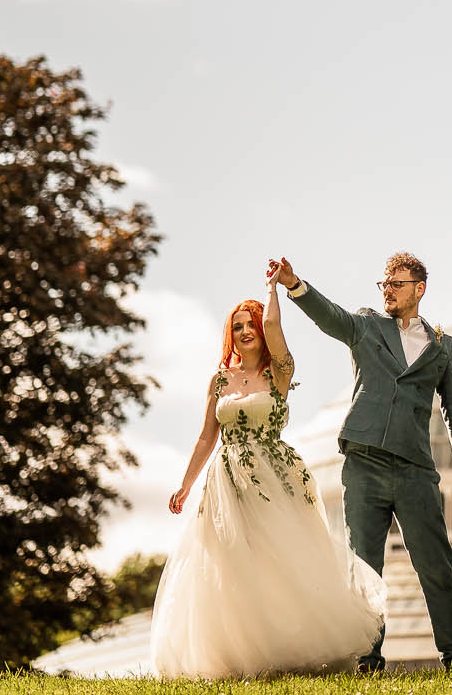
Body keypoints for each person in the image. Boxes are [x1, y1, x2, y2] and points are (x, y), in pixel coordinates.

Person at [149, 273, 386, 677]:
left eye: (250, 324)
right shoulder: (219, 380)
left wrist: (273, 290)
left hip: (274, 476)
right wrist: (185, 485)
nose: (244, 331)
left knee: (278, 559)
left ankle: (289, 649)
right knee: (231, 564)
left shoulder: (279, 372)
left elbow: (275, 325)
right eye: (236, 326)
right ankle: (239, 656)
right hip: (225, 482)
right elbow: (207, 436)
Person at [269, 252, 452, 673]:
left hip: (415, 467)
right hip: (364, 462)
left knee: (436, 563)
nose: (387, 291)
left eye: (396, 284)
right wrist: (295, 286)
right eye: (383, 283)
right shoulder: (367, 326)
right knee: (364, 563)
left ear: (419, 289)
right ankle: (367, 657)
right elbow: (330, 317)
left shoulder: (442, 345)